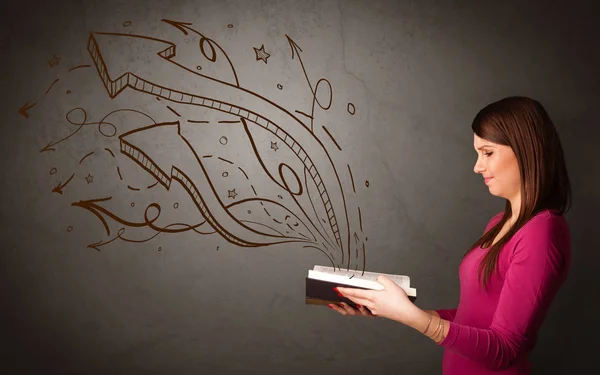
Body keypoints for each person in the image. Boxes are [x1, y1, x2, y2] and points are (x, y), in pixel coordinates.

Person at [331, 96, 572, 374]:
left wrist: (413, 318)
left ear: (526, 149)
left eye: (488, 152)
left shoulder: (541, 232)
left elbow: (504, 349)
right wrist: (390, 308)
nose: (477, 166)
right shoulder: (499, 222)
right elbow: (476, 318)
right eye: (477, 153)